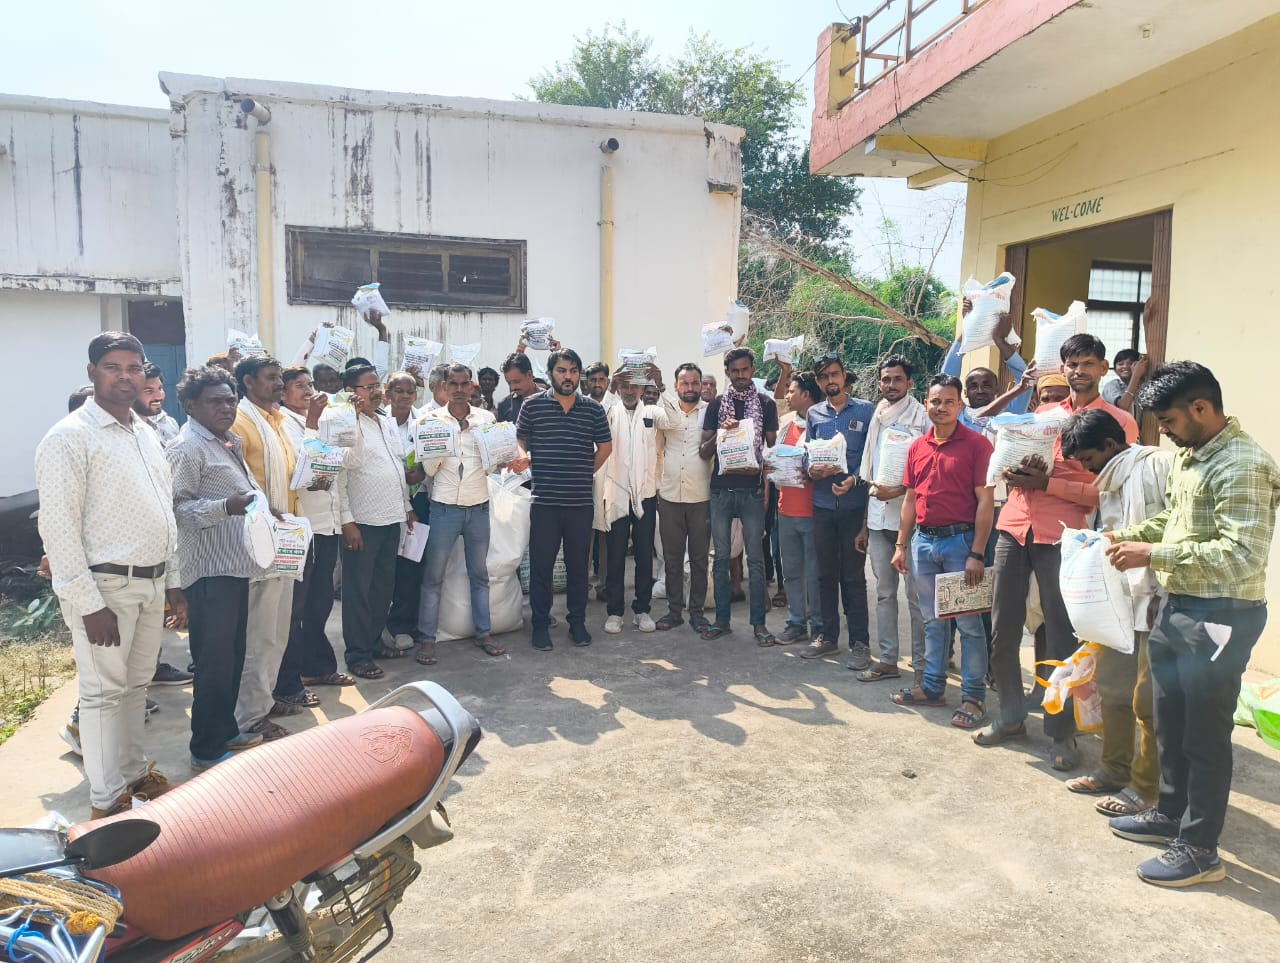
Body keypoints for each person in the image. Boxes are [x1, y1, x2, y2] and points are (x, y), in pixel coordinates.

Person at [1102, 362, 1280, 887]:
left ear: (1201, 408)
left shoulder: (1244, 465)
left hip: (1221, 616)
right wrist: (1127, 537)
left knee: (1205, 734)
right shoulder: (1190, 455)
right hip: (1178, 604)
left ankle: (1201, 850)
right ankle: (1169, 814)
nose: (1163, 432)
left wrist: (1152, 554)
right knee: (1170, 721)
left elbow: (1241, 556)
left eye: (1169, 420)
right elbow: (1176, 522)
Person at [35, 332, 183, 817]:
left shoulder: (144, 432)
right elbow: (58, 529)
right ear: (92, 373)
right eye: (112, 367)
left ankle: (134, 774)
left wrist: (173, 581)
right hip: (105, 587)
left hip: (151, 582)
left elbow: (164, 511)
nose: (125, 376)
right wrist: (88, 604)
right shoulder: (69, 437)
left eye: (133, 367)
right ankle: (106, 801)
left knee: (136, 688)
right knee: (102, 694)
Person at [975, 333, 1138, 770]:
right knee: (1002, 631)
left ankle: (1061, 733)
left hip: (1064, 537)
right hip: (1014, 527)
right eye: (1072, 364)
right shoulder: (1044, 414)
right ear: (1061, 368)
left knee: (1063, 639)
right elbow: (1010, 459)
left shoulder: (1119, 422)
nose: (1078, 371)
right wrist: (1015, 471)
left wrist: (1047, 484)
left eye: (1087, 363)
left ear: (1103, 368)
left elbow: (1106, 492)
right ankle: (1010, 717)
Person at [1059, 409, 1170, 817]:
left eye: (1088, 459)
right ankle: (1113, 770)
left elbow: (1180, 524)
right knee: (1113, 690)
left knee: (1148, 702)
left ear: (1110, 444)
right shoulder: (1107, 482)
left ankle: (1146, 789)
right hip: (1119, 603)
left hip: (1159, 598)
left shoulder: (1157, 465)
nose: (1087, 470)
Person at [167, 366, 273, 769]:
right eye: (215, 401)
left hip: (234, 564)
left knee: (231, 656)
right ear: (190, 404)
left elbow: (244, 492)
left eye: (230, 400)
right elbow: (177, 510)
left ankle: (226, 729)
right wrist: (225, 507)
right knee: (213, 662)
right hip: (207, 570)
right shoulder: (187, 447)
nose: (226, 407)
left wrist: (267, 512)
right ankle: (206, 748)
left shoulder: (227, 440)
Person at [889, 374, 995, 729]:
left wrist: (977, 553)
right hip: (923, 543)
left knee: (969, 625)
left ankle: (973, 697)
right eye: (935, 401)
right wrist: (901, 545)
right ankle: (932, 687)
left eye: (949, 402)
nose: (941, 408)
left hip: (960, 544)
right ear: (926, 404)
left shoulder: (977, 446)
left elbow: (985, 502)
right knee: (932, 621)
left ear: (959, 406)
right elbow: (910, 499)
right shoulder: (917, 447)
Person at [510, 348, 612, 650]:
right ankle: (540, 625)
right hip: (544, 502)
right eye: (562, 370)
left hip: (579, 503)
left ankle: (577, 624)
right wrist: (522, 456)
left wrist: (584, 471)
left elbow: (605, 447)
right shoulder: (532, 406)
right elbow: (520, 437)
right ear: (551, 373)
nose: (568, 377)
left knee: (578, 568)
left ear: (579, 375)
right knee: (541, 567)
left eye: (573, 371)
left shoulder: (592, 409)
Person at [228, 355, 299, 741]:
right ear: (247, 382)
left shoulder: (277, 421)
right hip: (256, 545)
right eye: (271, 378)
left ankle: (263, 702)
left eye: (280, 377)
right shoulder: (239, 422)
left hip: (284, 541)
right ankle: (249, 717)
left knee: (276, 633)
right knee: (258, 636)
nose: (279, 384)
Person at [277, 366, 356, 698]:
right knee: (296, 607)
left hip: (327, 524)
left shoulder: (322, 421)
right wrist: (312, 420)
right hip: (302, 526)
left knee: (319, 603)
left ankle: (316, 667)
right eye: (299, 385)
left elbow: (342, 467)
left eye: (309, 384)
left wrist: (348, 421)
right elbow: (302, 468)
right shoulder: (281, 423)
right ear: (282, 393)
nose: (308, 390)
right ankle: (290, 679)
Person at [419, 364, 506, 661]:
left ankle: (484, 633)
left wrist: (484, 443)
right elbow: (430, 470)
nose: (458, 389)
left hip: (478, 507)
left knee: (480, 575)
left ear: (471, 386)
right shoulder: (430, 422)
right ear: (444, 386)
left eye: (464, 384)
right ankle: (427, 639)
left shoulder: (486, 419)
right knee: (433, 577)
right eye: (453, 384)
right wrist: (451, 436)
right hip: (444, 509)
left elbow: (492, 468)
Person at [336, 363, 418, 678]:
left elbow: (396, 466)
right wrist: (347, 521)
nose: (375, 392)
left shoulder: (384, 420)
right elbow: (342, 474)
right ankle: (357, 655)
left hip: (390, 518)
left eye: (376, 386)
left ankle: (373, 643)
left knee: (382, 588)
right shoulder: (343, 423)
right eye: (367, 387)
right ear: (350, 392)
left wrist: (406, 506)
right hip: (362, 522)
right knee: (358, 591)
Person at [856, 356, 930, 682]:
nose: (891, 385)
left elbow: (929, 472)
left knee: (917, 598)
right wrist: (863, 525)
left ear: (909, 383)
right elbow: (869, 473)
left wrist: (899, 489)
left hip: (910, 522)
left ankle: (923, 667)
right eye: (886, 379)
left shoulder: (922, 418)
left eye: (897, 379)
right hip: (877, 521)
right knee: (885, 594)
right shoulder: (878, 415)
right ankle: (887, 660)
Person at [698, 348, 779, 643]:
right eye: (735, 371)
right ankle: (722, 620)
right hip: (721, 490)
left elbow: (771, 447)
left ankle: (759, 624)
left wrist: (751, 433)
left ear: (752, 369)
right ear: (727, 373)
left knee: (755, 560)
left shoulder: (766, 404)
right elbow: (703, 451)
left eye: (745, 370)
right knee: (721, 558)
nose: (741, 375)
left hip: (752, 491)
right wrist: (723, 432)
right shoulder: (717, 405)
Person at [799, 353, 875, 665]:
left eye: (834, 374)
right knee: (825, 574)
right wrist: (811, 469)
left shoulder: (866, 411)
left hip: (854, 506)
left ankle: (860, 643)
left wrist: (854, 479)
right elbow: (807, 453)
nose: (830, 380)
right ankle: (827, 637)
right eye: (823, 377)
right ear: (818, 382)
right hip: (822, 506)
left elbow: (872, 457)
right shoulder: (814, 414)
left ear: (844, 376)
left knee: (853, 577)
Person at [652, 363, 713, 633]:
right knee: (672, 558)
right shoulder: (665, 412)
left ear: (701, 385)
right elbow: (657, 451)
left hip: (701, 496)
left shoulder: (710, 412)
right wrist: (657, 487)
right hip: (669, 496)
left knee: (699, 559)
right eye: (685, 383)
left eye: (694, 383)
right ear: (676, 385)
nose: (690, 388)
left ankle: (697, 613)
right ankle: (674, 611)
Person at [598, 371, 660, 634]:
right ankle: (614, 612)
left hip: (645, 492)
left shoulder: (652, 413)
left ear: (643, 389)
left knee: (644, 554)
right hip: (617, 491)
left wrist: (660, 383)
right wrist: (611, 388)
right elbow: (596, 417)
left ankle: (642, 610)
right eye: (625, 386)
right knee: (615, 554)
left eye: (635, 386)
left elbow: (673, 421)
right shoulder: (610, 412)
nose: (630, 391)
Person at [773, 372, 822, 644]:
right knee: (791, 573)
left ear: (806, 395)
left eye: (791, 391)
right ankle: (796, 623)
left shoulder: (824, 425)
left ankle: (819, 628)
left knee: (814, 575)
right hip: (786, 509)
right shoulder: (787, 425)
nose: (787, 395)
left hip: (813, 512)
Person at [384, 371, 429, 654]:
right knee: (384, 566)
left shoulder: (424, 423)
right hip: (384, 503)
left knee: (411, 565)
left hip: (418, 502)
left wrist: (421, 474)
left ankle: (402, 625)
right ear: (387, 393)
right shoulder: (377, 421)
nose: (404, 396)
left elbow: (434, 461)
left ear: (416, 395)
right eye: (398, 391)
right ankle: (379, 624)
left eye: (409, 392)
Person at [134, 362, 181, 447]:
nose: (159, 396)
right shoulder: (127, 432)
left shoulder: (170, 423)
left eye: (160, 388)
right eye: (149, 391)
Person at [1102, 349, 1149, 416]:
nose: (1125, 366)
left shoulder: (1144, 386)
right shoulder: (1111, 386)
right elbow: (1123, 406)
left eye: (1130, 363)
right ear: (1115, 370)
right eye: (1120, 364)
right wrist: (1136, 375)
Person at [498, 352, 540, 424]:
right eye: (509, 383)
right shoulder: (504, 405)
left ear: (529, 375)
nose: (513, 387)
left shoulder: (550, 400)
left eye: (517, 381)